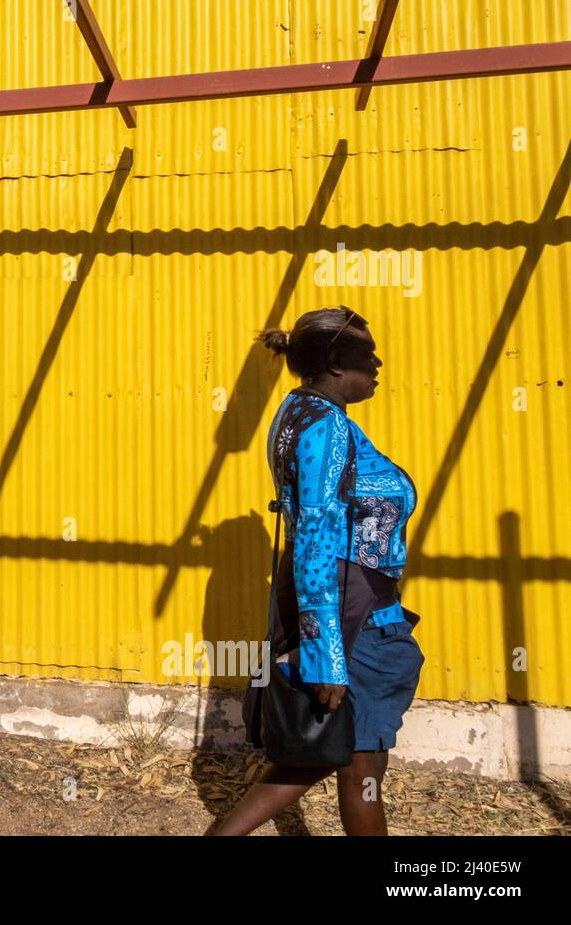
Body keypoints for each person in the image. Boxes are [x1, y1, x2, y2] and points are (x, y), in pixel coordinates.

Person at [211, 306, 424, 836]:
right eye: (365, 352)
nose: (377, 361)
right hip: (355, 624)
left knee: (326, 757)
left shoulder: (301, 412)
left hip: (354, 613)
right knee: (359, 765)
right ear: (333, 361)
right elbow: (314, 537)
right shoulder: (324, 426)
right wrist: (325, 654)